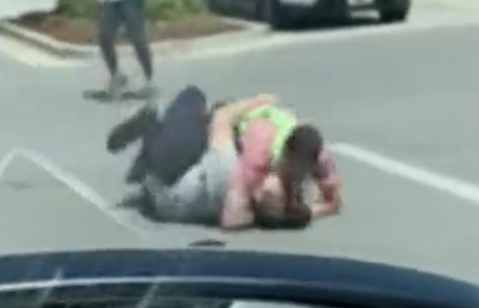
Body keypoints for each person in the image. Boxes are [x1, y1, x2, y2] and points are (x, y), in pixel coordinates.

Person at [105, 86, 336, 229]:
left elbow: (222, 119)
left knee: (193, 98)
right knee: (195, 126)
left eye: (277, 198)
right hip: (188, 176)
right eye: (288, 191)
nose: (276, 191)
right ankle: (149, 146)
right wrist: (304, 212)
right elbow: (331, 198)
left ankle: (150, 134)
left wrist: (256, 101)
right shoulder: (250, 176)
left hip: (168, 192)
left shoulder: (234, 169)